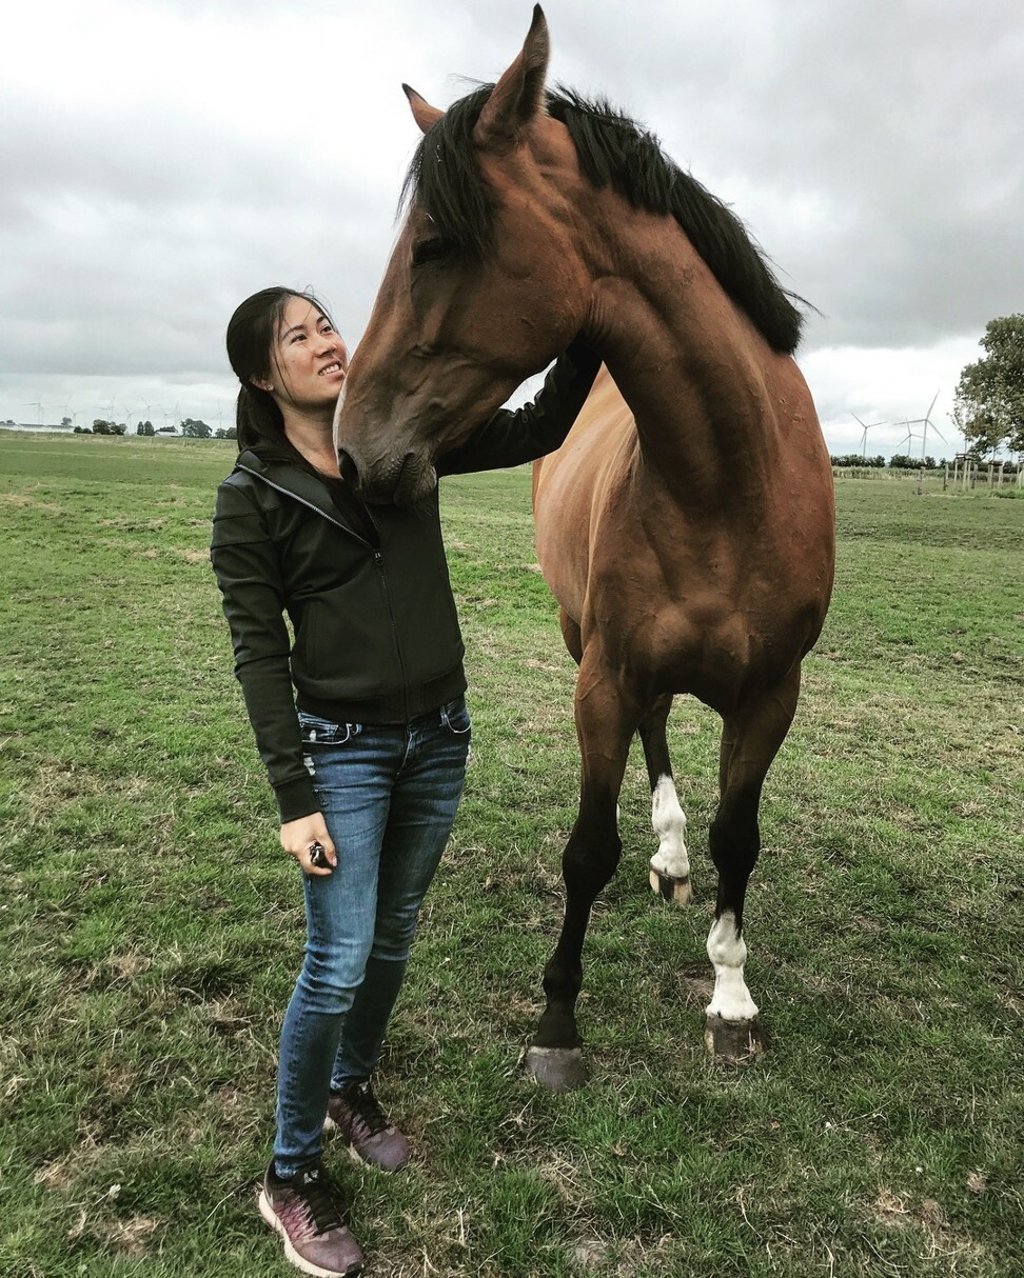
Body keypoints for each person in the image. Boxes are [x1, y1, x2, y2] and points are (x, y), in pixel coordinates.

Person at [211, 286, 600, 1278]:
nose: (327, 341)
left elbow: (541, 426)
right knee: (336, 959)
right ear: (265, 374)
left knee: (392, 935)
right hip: (338, 750)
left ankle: (350, 1087)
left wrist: (588, 317)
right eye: (299, 336)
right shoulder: (251, 496)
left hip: (439, 733)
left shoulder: (404, 439)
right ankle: (288, 1175)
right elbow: (259, 658)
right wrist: (294, 799)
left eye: (328, 323)